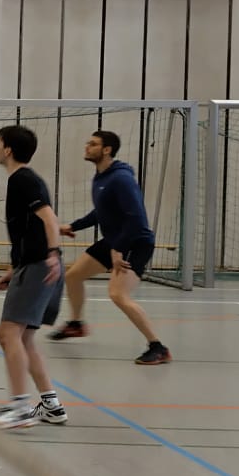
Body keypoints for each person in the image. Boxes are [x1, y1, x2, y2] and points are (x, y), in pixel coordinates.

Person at [52, 128, 170, 365]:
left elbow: (136, 219)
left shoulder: (121, 179)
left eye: (93, 144)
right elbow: (100, 211)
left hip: (135, 243)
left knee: (118, 295)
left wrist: (118, 250)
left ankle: (158, 347)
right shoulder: (101, 177)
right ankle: (76, 324)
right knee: (73, 276)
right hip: (115, 241)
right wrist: (73, 226)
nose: (87, 147)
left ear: (107, 150)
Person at [0, 124, 68, 430]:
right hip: (34, 265)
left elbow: (48, 218)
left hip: (41, 266)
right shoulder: (22, 180)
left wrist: (52, 254)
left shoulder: (23, 179)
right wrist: (14, 269)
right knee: (24, 338)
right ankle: (51, 406)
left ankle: (20, 408)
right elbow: (29, 229)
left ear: (8, 149)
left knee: (8, 334)